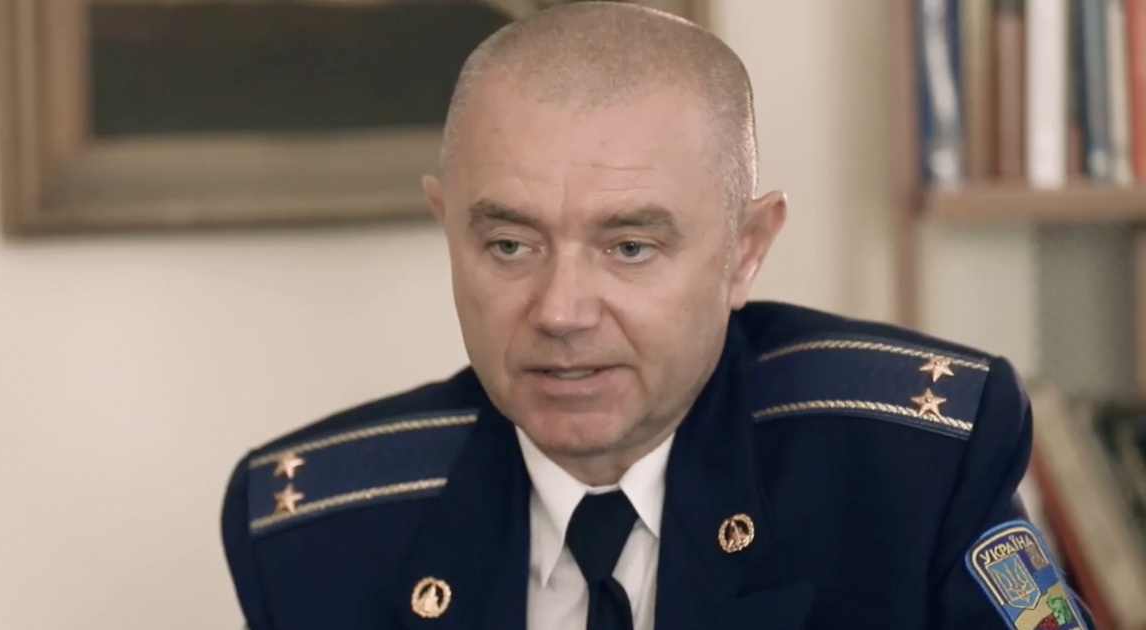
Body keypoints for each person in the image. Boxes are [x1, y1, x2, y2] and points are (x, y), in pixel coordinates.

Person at [219, 3, 1097, 629]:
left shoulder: (909, 470)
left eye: (630, 247)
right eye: (510, 245)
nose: (561, 312)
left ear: (745, 250)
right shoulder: (317, 532)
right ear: (448, 230)